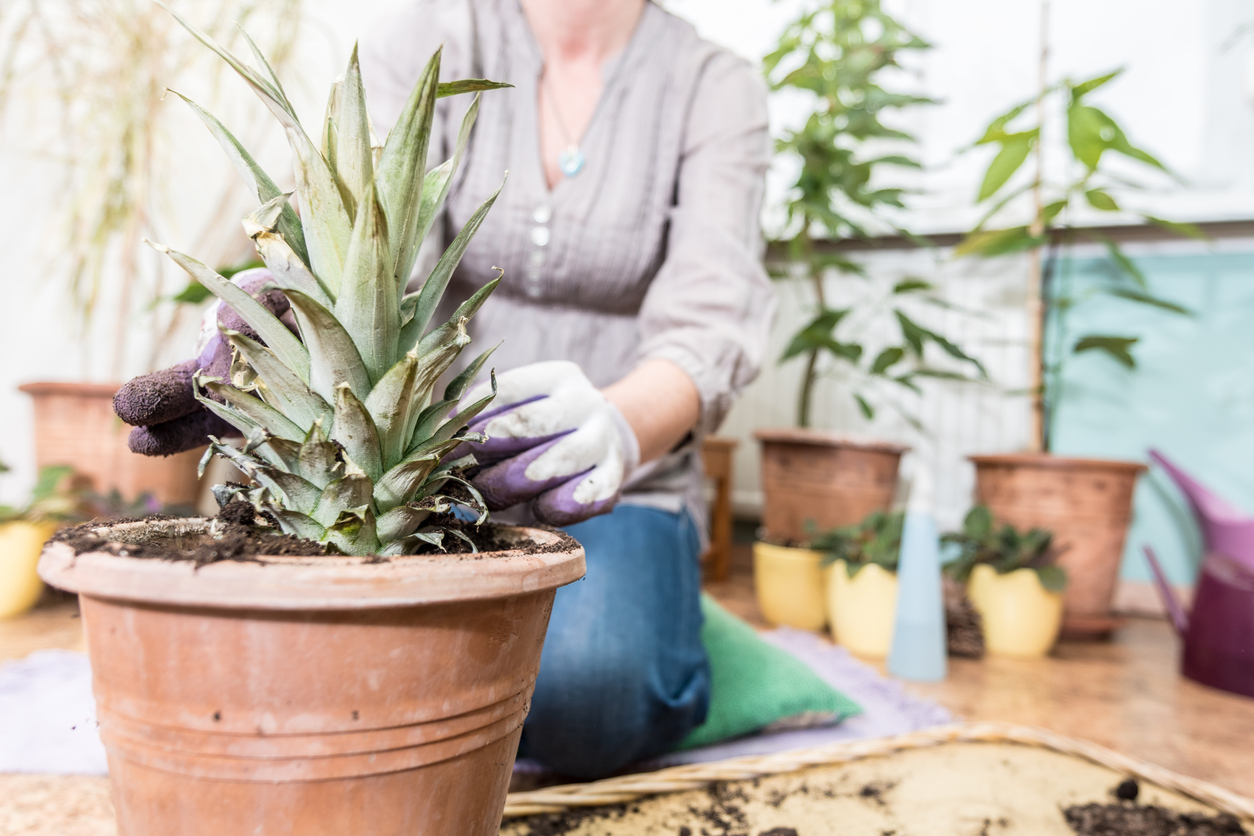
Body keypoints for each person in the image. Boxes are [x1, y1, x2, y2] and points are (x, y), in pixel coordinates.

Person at [116, 0, 774, 779]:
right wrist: (277, 308)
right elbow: (367, 249)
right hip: (433, 473)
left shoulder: (713, 85)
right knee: (281, 675)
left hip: (624, 481)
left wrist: (618, 430)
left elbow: (712, 323)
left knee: (591, 700)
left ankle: (676, 633)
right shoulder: (434, 38)